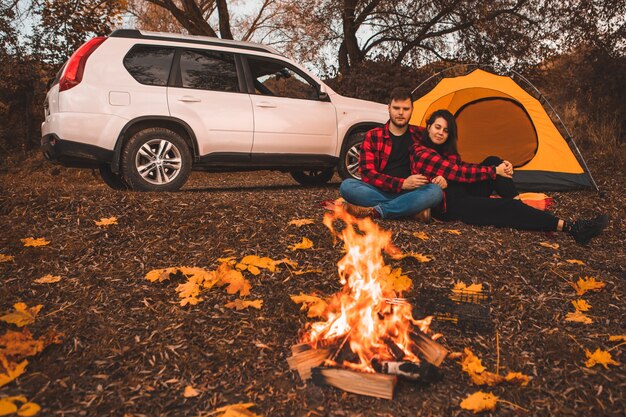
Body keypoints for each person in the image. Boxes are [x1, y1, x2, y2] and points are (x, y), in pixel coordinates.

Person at [411, 109, 608, 245]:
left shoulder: (445, 150)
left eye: (446, 130)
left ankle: (520, 207)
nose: (441, 133)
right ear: (428, 127)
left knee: (493, 160)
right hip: (451, 206)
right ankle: (572, 228)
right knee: (506, 206)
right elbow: (459, 173)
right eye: (437, 127)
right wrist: (493, 172)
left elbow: (461, 168)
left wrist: (499, 167)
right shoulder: (422, 152)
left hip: (459, 190)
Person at [339, 87, 444, 220]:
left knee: (435, 192)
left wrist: (441, 177)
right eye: (396, 108)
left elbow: (443, 155)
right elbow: (367, 174)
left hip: (412, 192)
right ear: (388, 108)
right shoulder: (373, 135)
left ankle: (379, 211)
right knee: (347, 186)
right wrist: (402, 183)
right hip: (379, 191)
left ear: (412, 110)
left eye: (406, 109)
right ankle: (410, 211)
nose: (401, 113)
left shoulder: (421, 135)